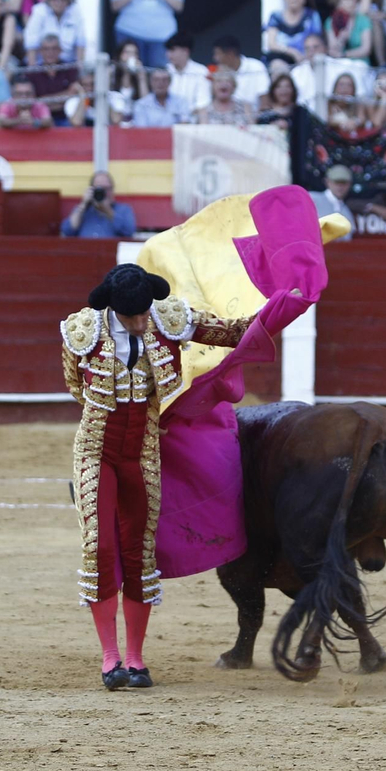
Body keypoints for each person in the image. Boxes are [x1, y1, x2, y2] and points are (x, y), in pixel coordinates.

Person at [58, 263, 254, 689]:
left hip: (142, 454)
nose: (142, 321)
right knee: (100, 548)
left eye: (145, 312)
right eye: (133, 316)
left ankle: (136, 658)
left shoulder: (167, 318)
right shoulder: (82, 331)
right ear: (113, 309)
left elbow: (231, 332)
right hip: (96, 452)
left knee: (139, 551)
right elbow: (76, 386)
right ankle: (111, 659)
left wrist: (278, 309)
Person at [61, 171, 137, 239]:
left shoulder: (123, 210)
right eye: (98, 189)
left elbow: (129, 232)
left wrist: (108, 210)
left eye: (106, 189)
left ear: (112, 190)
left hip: (111, 253)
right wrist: (83, 204)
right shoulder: (82, 210)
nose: (102, 193)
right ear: (91, 190)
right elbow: (67, 231)